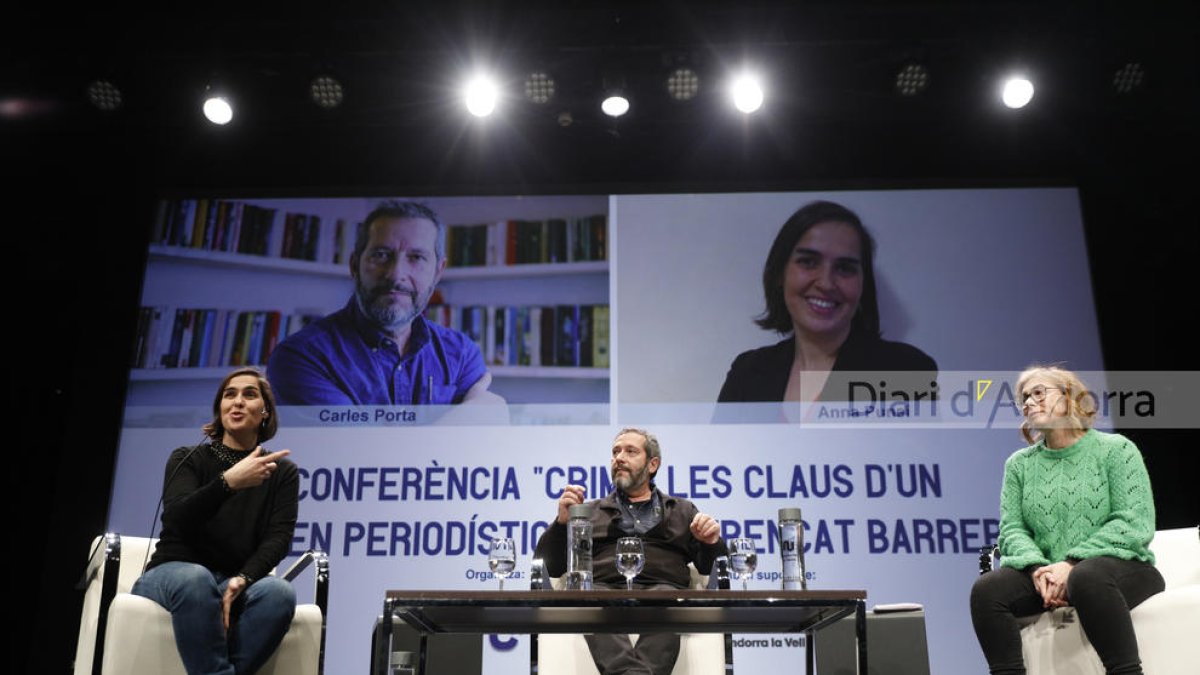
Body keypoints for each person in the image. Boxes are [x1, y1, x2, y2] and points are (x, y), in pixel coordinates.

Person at [969, 365, 1164, 675]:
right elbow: (1012, 529)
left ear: (1070, 397)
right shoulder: (1019, 465)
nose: (1029, 403)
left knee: (1087, 577)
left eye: (1038, 393)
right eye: (1024, 399)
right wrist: (1037, 570)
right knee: (987, 590)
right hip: (1048, 575)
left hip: (1122, 569)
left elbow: (1132, 522)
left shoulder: (1116, 450)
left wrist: (1071, 564)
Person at [131, 367, 299, 675]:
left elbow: (278, 538)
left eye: (249, 395)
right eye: (228, 394)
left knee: (280, 593)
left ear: (265, 412)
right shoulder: (188, 458)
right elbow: (176, 518)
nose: (236, 402)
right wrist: (228, 483)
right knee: (197, 579)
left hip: (231, 580)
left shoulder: (281, 473)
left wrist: (243, 579)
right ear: (219, 409)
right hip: (171, 575)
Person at [267, 199, 505, 406]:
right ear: (354, 265)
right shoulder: (301, 357)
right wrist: (463, 420)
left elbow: (472, 452)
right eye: (381, 255)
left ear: (438, 272)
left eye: (416, 258)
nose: (395, 273)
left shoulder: (462, 354)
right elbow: (356, 455)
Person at [534, 428, 727, 675]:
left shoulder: (681, 510)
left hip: (663, 588)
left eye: (630, 451)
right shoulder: (589, 512)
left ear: (652, 464)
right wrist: (561, 524)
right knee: (589, 594)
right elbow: (551, 566)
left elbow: (711, 567)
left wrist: (711, 542)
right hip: (603, 590)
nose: (619, 458)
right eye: (615, 452)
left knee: (666, 596)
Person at [717, 200, 936, 403]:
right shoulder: (746, 373)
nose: (826, 283)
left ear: (863, 284)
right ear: (779, 274)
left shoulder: (905, 370)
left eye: (844, 268)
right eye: (809, 262)